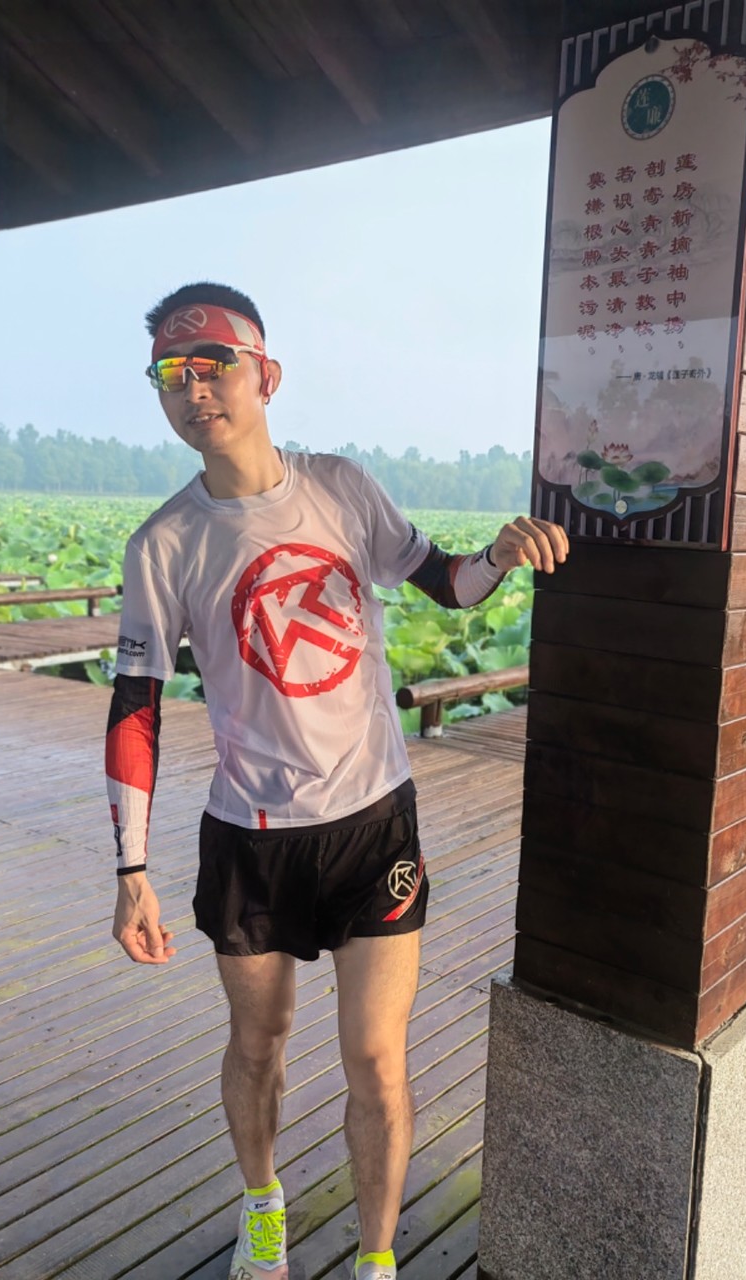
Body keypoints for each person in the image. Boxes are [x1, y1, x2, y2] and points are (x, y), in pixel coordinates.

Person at [106, 282, 569, 1280]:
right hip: (250, 837)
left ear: (266, 375)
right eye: (171, 374)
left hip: (372, 821)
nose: (194, 389)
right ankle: (262, 1206)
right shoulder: (164, 544)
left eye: (214, 365)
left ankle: (378, 1260)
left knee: (376, 1056)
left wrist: (499, 555)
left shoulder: (343, 489)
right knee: (259, 1043)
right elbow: (135, 707)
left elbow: (445, 580)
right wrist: (131, 870)